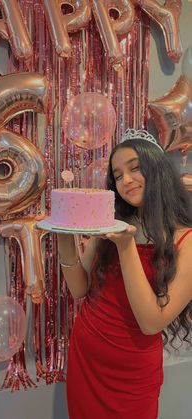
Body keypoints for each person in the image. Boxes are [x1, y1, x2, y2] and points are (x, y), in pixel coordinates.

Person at [57, 129, 192, 419]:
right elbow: (79, 289)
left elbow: (151, 322)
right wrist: (64, 236)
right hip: (87, 356)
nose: (126, 181)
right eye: (118, 175)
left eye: (134, 168)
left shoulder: (186, 240)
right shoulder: (110, 222)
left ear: (156, 169)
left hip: (132, 373)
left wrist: (126, 245)